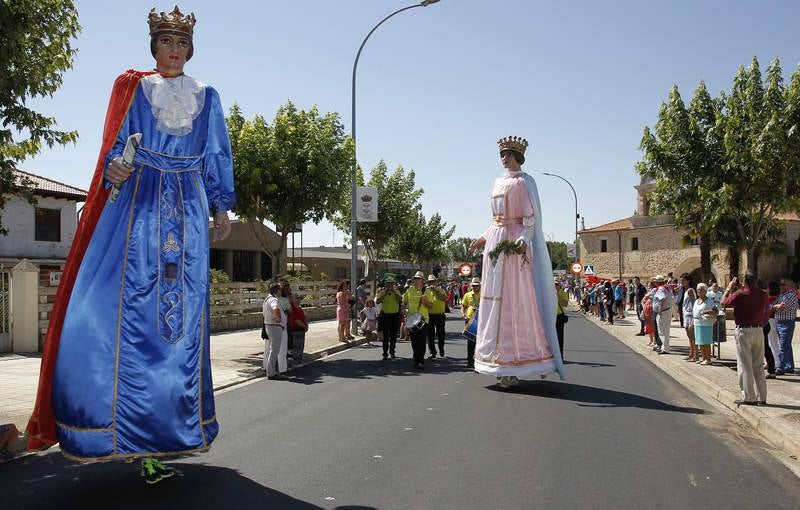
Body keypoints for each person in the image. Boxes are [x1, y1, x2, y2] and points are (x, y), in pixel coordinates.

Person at [25, 6, 234, 480]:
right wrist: (115, 168)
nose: (174, 51)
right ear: (154, 48)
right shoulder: (135, 90)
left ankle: (162, 437)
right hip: (137, 208)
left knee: (180, 331)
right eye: (166, 42)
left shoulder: (209, 96)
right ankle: (108, 428)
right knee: (107, 312)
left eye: (181, 43)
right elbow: (116, 148)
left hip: (187, 212)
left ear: (190, 49)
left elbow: (217, 152)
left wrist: (221, 205)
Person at [468, 136, 564, 388]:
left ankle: (517, 361)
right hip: (496, 244)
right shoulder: (497, 182)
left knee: (514, 302)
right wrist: (482, 238)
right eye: (502, 153)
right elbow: (495, 221)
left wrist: (524, 239)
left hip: (513, 245)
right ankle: (496, 361)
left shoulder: (522, 183)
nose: (504, 157)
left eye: (509, 154)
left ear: (518, 157)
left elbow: (529, 219)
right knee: (493, 303)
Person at [722, 272, 768, 406]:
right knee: (758, 365)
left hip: (744, 330)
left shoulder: (739, 294)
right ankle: (762, 397)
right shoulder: (763, 294)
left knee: (745, 365)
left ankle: (749, 397)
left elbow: (723, 303)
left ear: (744, 281)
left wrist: (729, 287)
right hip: (758, 330)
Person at [403, 271, 433, 369]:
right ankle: (416, 358)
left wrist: (425, 301)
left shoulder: (426, 291)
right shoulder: (409, 290)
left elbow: (431, 306)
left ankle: (420, 360)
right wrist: (403, 309)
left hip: (423, 319)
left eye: (418, 278)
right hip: (412, 319)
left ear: (422, 281)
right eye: (415, 278)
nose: (416, 280)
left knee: (421, 341)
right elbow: (404, 302)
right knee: (414, 341)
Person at [771, 278, 797, 376]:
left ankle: (780, 367)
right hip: (779, 322)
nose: (780, 286)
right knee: (786, 346)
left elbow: (782, 307)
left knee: (783, 345)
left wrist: (776, 307)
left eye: (783, 284)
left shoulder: (790, 295)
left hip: (787, 323)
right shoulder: (782, 295)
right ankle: (789, 367)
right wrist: (776, 307)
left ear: (789, 286)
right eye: (780, 284)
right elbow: (771, 306)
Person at [263, 282, 288, 380]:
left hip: (270, 326)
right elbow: (275, 308)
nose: (281, 292)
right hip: (275, 326)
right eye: (280, 290)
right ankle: (271, 373)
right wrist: (278, 318)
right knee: (274, 350)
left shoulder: (267, 299)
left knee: (272, 350)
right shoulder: (273, 300)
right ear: (277, 290)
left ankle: (272, 371)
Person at [376, 277, 402, 359]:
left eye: (391, 283)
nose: (390, 285)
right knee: (386, 336)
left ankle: (392, 352)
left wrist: (394, 291)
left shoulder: (397, 292)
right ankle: (385, 353)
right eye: (388, 283)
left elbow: (400, 300)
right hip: (385, 316)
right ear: (386, 284)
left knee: (393, 335)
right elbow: (378, 301)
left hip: (394, 316)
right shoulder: (382, 292)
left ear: (393, 284)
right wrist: (385, 293)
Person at [425, 274, 448, 359]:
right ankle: (432, 352)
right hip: (429, 315)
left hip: (440, 315)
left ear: (436, 282)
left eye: (433, 281)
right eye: (430, 282)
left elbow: (445, 299)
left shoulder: (441, 290)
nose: (431, 283)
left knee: (441, 334)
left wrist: (435, 291)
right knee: (430, 335)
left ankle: (441, 349)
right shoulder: (426, 291)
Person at [693, 283, 716, 365]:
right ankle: (703, 358)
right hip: (697, 323)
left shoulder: (709, 301)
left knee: (706, 342)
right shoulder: (696, 301)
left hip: (706, 324)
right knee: (700, 342)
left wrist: (706, 311)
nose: (699, 291)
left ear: (705, 291)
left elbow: (715, 311)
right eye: (698, 289)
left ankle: (708, 359)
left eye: (701, 289)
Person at [461, 277, 481, 368]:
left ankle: (478, 362)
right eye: (473, 285)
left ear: (479, 286)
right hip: (470, 319)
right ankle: (469, 362)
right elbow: (463, 306)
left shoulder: (483, 294)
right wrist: (463, 314)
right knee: (470, 342)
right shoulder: (467, 295)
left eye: (477, 285)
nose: (475, 287)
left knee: (479, 342)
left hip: (480, 320)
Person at [651, 275, 674, 354]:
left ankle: (664, 348)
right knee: (666, 331)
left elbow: (662, 298)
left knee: (662, 331)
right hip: (667, 311)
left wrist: (660, 310)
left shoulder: (661, 289)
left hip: (663, 312)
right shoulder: (667, 288)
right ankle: (666, 348)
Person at [681, 274, 698, 362]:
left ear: (688, 281)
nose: (682, 282)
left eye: (683, 280)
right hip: (686, 315)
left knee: (692, 336)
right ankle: (691, 353)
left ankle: (695, 355)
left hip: (690, 315)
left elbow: (693, 302)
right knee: (689, 336)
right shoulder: (686, 290)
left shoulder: (690, 290)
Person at [288, 299, 308, 369]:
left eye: (299, 299)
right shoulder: (293, 309)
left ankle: (298, 361)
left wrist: (306, 325)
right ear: (293, 301)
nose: (299, 300)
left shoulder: (299, 308)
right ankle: (296, 362)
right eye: (297, 299)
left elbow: (304, 317)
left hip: (301, 329)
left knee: (300, 347)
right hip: (296, 329)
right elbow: (296, 320)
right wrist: (304, 326)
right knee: (297, 347)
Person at [555, 278, 569, 361]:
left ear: (559, 286)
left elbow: (565, 304)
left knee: (559, 337)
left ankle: (560, 356)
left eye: (556, 284)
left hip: (559, 316)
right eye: (554, 284)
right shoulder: (547, 293)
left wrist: (557, 295)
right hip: (550, 317)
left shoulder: (563, 293)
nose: (555, 286)